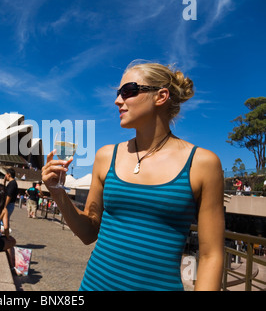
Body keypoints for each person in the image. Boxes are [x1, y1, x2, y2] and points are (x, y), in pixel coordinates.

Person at [42, 61, 225, 291]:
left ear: (161, 96)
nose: (118, 100)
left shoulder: (202, 164)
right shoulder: (106, 156)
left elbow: (211, 256)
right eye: (119, 93)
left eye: (128, 91)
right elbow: (89, 233)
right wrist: (57, 193)